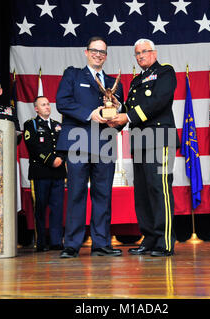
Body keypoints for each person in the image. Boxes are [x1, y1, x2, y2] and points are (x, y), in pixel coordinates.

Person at [55, 36, 124, 258]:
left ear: (106, 56)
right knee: (75, 193)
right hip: (78, 143)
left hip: (104, 144)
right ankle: (72, 244)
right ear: (86, 52)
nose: (98, 54)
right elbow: (62, 102)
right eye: (94, 50)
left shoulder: (115, 83)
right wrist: (90, 114)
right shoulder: (72, 75)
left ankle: (102, 243)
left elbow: (119, 117)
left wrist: (116, 111)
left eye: (102, 52)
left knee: (102, 194)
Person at [108, 39, 178, 257]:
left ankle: (164, 242)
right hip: (139, 141)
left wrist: (126, 115)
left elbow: (158, 101)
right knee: (143, 194)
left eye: (144, 52)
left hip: (160, 138)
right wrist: (116, 109)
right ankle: (149, 239)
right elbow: (130, 107)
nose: (140, 56)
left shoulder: (166, 72)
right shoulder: (137, 80)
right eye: (137, 53)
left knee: (160, 190)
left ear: (154, 53)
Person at [23, 96, 67, 252]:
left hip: (58, 173)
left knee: (57, 209)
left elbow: (65, 145)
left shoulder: (58, 125)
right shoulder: (31, 125)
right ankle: (40, 242)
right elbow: (33, 147)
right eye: (43, 104)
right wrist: (50, 160)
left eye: (48, 104)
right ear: (36, 108)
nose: (47, 107)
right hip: (40, 173)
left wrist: (61, 158)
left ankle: (56, 242)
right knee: (40, 209)